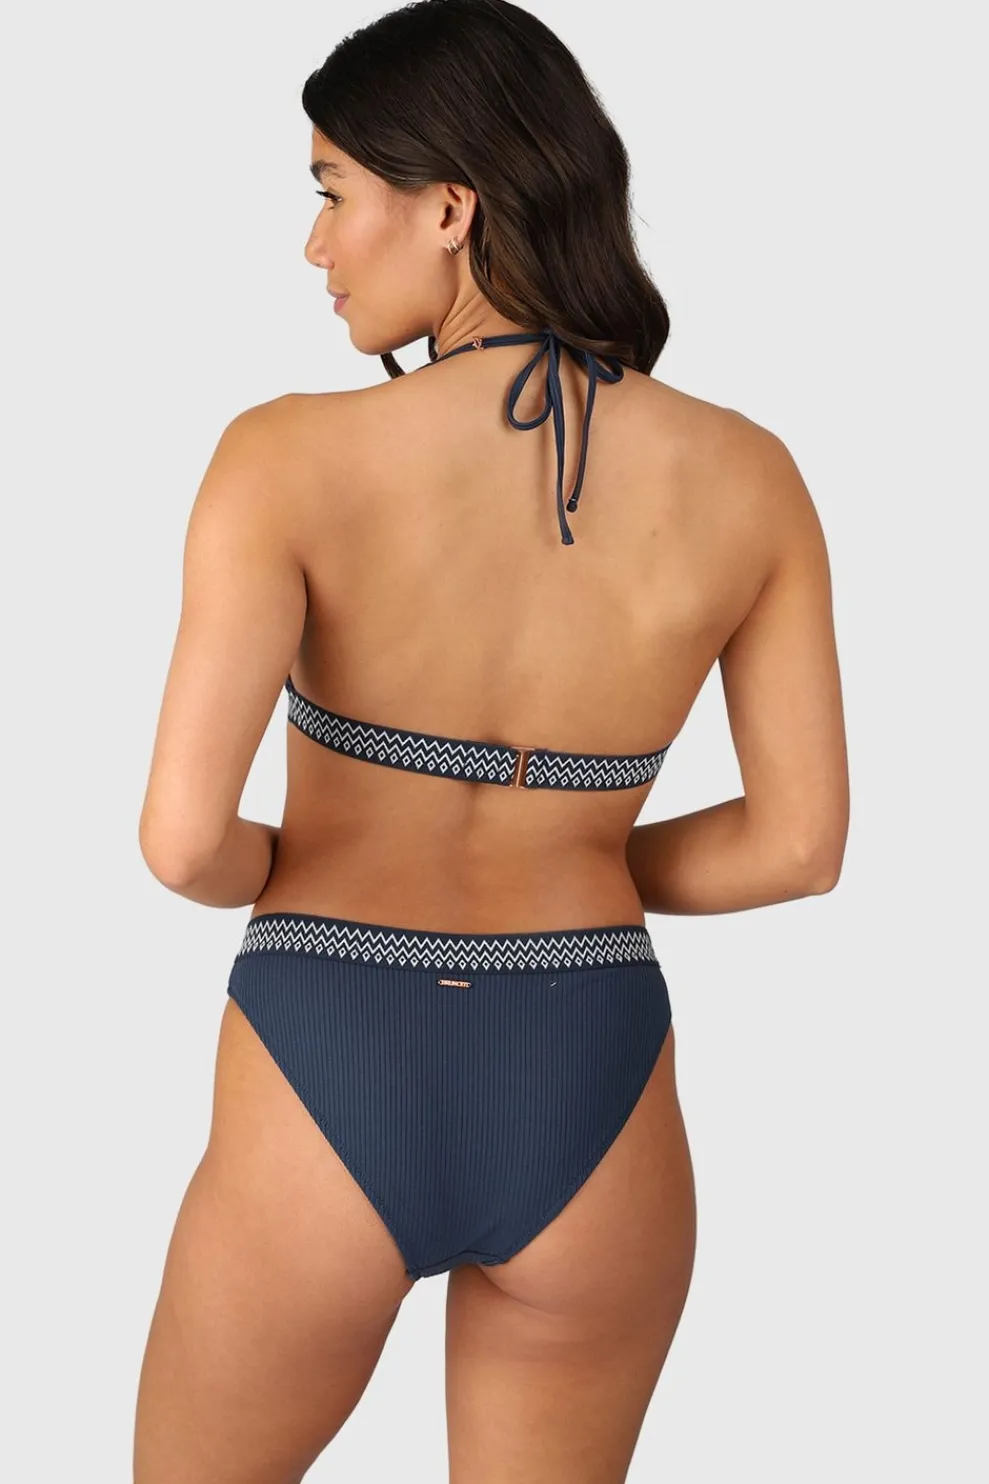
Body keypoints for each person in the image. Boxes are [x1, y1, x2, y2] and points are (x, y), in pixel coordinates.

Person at [132, 1, 849, 1479]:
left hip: (328, 1040)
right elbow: (797, 846)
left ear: (448, 206)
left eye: (333, 191)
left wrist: (303, 856)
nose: (316, 245)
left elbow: (185, 843)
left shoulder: (287, 455)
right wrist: (571, 849)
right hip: (592, 1067)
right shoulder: (751, 477)